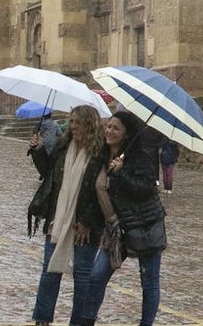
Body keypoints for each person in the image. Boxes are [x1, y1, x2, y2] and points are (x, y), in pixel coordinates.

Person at [83, 110, 166, 326]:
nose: (109, 131)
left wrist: (122, 172)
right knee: (96, 276)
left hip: (144, 226)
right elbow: (94, 191)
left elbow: (147, 189)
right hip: (115, 229)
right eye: (108, 126)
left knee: (149, 282)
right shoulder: (102, 156)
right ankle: (87, 321)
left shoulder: (141, 156)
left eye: (115, 128)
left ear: (127, 133)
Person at [28, 104, 108, 326]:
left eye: (78, 122)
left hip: (85, 224)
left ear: (89, 124)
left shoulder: (101, 153)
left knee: (82, 275)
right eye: (71, 122)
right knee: (49, 270)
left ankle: (79, 321)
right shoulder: (64, 146)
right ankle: (42, 317)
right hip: (58, 218)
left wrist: (87, 222)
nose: (73, 127)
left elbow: (98, 191)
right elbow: (48, 175)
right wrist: (38, 151)